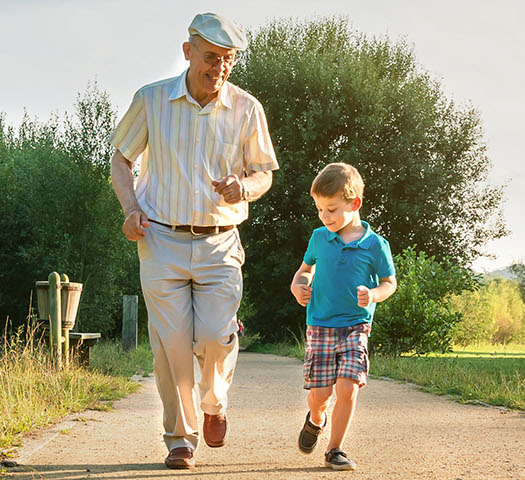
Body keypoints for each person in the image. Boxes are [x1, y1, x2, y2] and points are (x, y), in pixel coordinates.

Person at [108, 12, 279, 470]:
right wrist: (130, 210)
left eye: (227, 61)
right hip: (160, 238)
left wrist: (246, 187)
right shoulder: (152, 99)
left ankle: (215, 403)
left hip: (220, 242)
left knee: (215, 336)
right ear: (188, 52)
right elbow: (121, 160)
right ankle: (180, 439)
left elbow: (263, 172)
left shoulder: (247, 108)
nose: (218, 69)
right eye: (210, 58)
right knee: (173, 345)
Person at [288, 162, 398, 471]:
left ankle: (335, 448)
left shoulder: (376, 245)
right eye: (320, 209)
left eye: (332, 209)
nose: (325, 217)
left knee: (348, 387)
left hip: (356, 325)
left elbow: (390, 283)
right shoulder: (319, 237)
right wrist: (299, 286)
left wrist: (374, 294)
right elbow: (304, 270)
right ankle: (316, 418)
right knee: (320, 394)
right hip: (320, 325)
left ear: (355, 203)